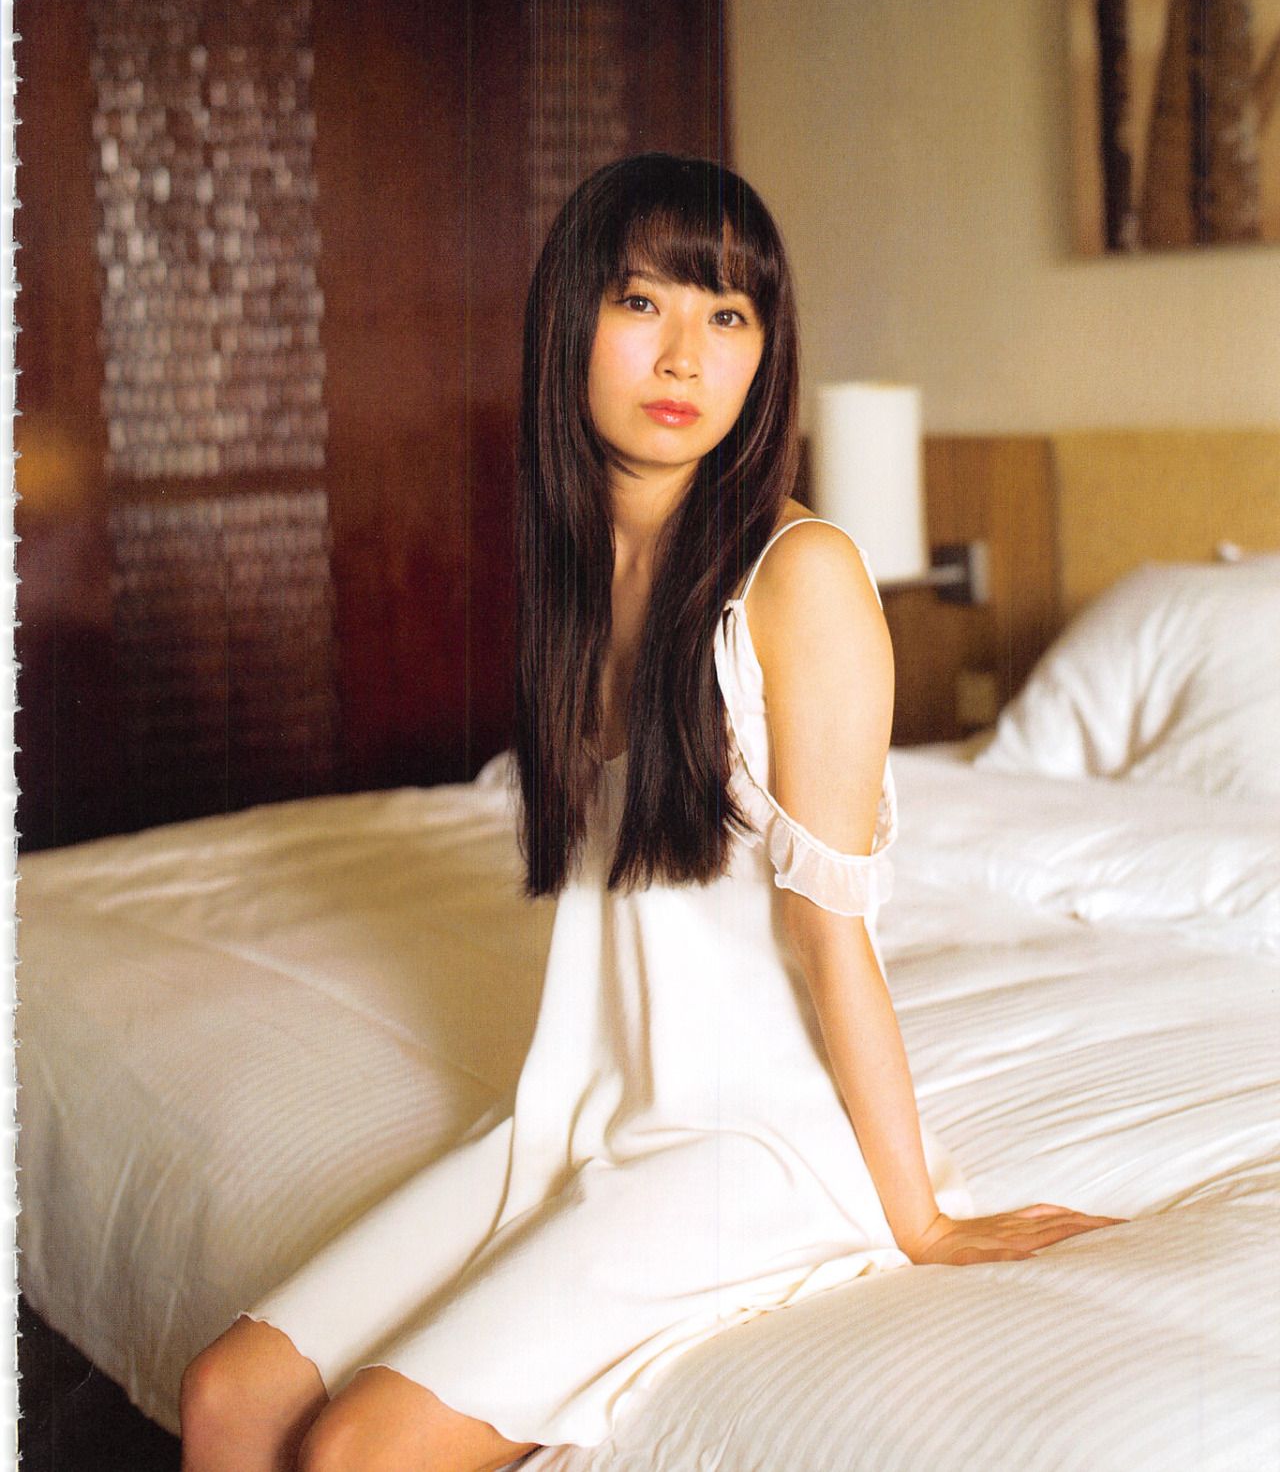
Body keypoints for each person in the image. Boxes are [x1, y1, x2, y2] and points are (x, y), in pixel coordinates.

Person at [179, 154, 1121, 1472]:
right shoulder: (579, 575)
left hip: (749, 1147)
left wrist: (920, 1221)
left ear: (766, 354)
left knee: (355, 1453)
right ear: (572, 321)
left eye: (728, 316)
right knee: (226, 1397)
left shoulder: (801, 577)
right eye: (644, 303)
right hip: (587, 1109)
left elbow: (830, 937)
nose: (686, 356)